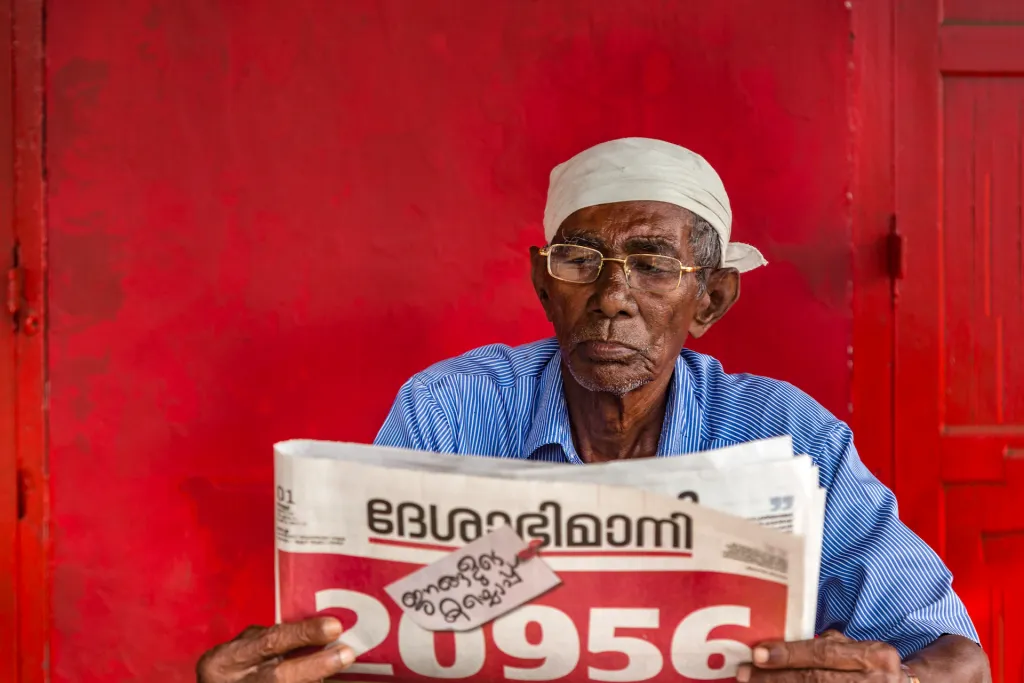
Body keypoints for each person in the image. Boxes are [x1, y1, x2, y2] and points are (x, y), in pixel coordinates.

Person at [196, 138, 991, 683]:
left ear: (709, 298)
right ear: (546, 284)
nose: (612, 298)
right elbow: (378, 643)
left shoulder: (789, 437)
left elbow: (960, 655)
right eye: (581, 261)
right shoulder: (451, 410)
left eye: (653, 264)